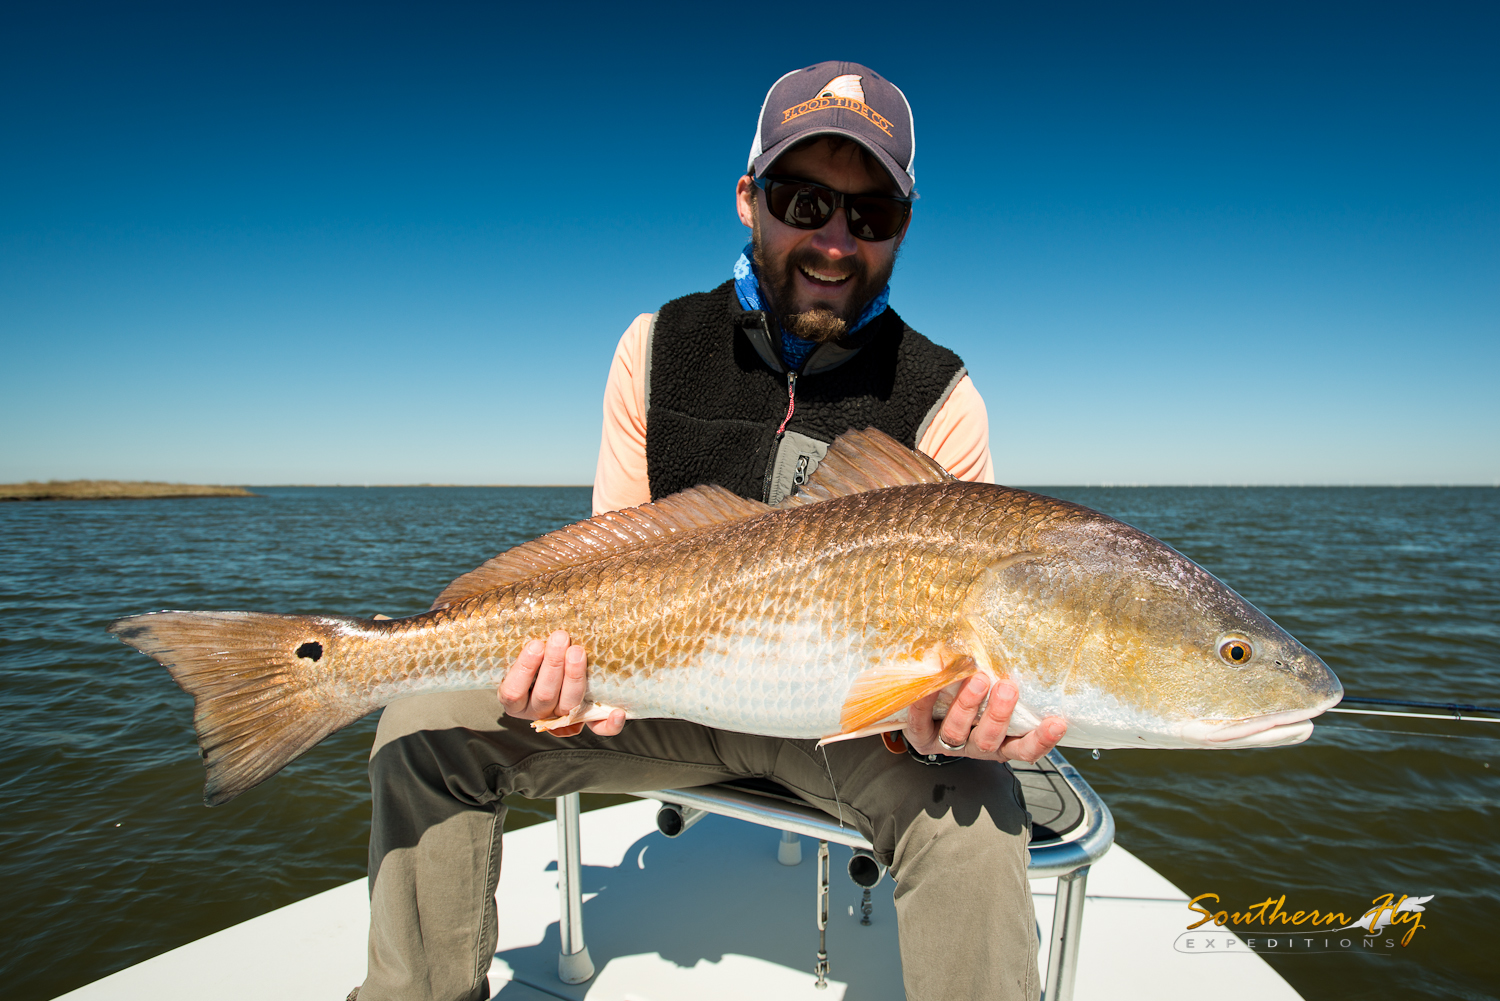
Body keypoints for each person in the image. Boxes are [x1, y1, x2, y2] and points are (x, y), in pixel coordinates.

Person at [357, 61, 1066, 1001]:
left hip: (858, 729)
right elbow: (610, 552)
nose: (834, 240)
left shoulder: (943, 393)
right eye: (803, 199)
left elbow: (951, 659)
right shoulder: (654, 346)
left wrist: (951, 721)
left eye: (871, 214)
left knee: (976, 812)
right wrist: (572, 677)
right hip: (658, 691)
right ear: (749, 198)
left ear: (902, 226)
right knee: (418, 725)